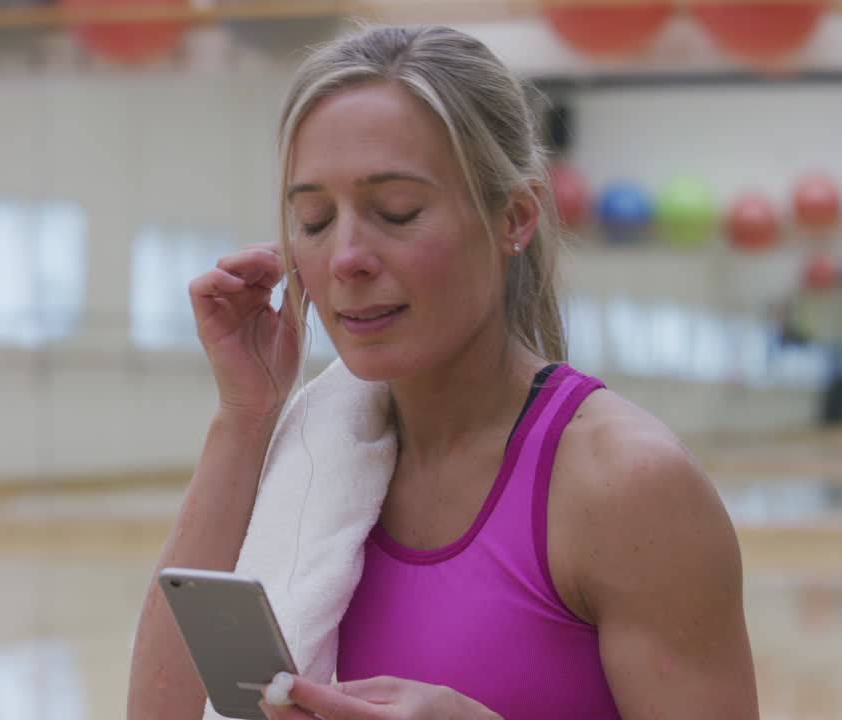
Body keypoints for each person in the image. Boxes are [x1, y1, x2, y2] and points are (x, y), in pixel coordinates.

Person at [128, 24, 758, 720]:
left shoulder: (627, 486)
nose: (346, 258)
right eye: (314, 220)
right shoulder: (311, 462)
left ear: (513, 218)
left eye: (395, 212)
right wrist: (245, 414)